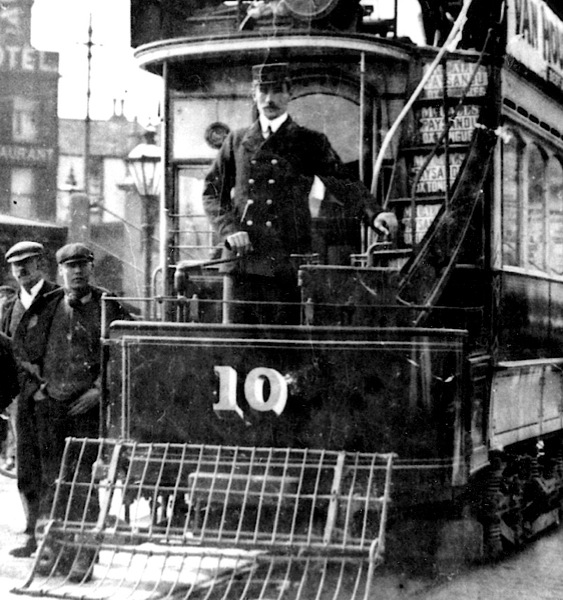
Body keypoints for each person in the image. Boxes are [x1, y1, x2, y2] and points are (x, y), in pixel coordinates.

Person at [202, 62, 398, 324]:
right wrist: (229, 231)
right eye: (263, 91)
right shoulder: (236, 141)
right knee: (237, 345)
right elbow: (212, 192)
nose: (269, 99)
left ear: (289, 94)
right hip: (241, 262)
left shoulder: (309, 141)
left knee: (283, 349)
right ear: (254, 93)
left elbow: (344, 183)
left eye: (277, 91)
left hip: (284, 261)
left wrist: (375, 214)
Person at [13, 243, 131, 581]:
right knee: (53, 477)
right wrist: (39, 387)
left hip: (87, 410)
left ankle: (83, 556)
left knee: (81, 481)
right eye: (70, 267)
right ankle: (54, 550)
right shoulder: (48, 306)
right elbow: (23, 348)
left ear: (92, 269)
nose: (77, 272)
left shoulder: (110, 306)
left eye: (83, 265)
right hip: (52, 408)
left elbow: (127, 351)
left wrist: (99, 388)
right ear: (60, 271)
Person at [1, 241, 59, 558]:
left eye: (28, 263)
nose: (22, 269)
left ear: (41, 264)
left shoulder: (58, 299)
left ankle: (52, 539)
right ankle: (33, 535)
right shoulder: (10, 307)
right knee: (28, 470)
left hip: (54, 399)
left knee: (54, 470)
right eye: (15, 265)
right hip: (23, 401)